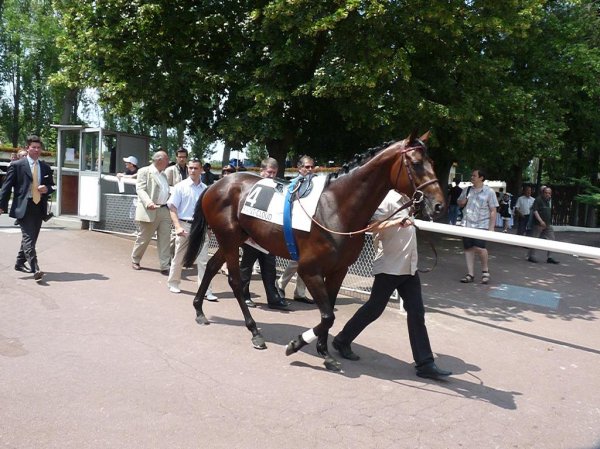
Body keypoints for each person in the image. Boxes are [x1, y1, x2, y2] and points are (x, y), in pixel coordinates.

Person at [332, 190, 452, 380]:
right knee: (374, 308)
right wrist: (397, 222)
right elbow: (371, 226)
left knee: (417, 312)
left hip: (408, 267)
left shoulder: (408, 200)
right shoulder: (386, 199)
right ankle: (342, 340)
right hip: (390, 266)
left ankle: (425, 363)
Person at [0, 135, 55, 281]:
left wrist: (47, 188)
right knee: (29, 238)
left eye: (38, 148)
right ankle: (35, 268)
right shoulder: (17, 166)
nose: (36, 150)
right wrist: (1, 206)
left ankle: (19, 262)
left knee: (32, 237)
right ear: (27, 148)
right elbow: (6, 188)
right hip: (23, 207)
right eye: (33, 147)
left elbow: (52, 186)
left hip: (39, 207)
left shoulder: (45, 167)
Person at [239, 157, 289, 310]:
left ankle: (273, 298)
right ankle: (243, 295)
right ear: (261, 171)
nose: (271, 175)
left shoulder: (278, 187)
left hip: (268, 237)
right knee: (247, 266)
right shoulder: (254, 187)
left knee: (270, 267)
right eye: (269, 172)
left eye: (274, 173)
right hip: (251, 236)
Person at [166, 158, 217, 299]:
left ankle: (206, 290)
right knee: (179, 256)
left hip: (201, 227)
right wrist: (177, 227)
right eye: (190, 168)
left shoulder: (206, 189)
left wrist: (208, 229)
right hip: (184, 225)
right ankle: (173, 283)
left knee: (203, 260)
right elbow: (172, 208)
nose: (192, 171)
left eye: (195, 168)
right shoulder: (180, 187)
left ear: (201, 170)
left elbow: (208, 211)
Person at [275, 155, 315, 305]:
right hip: (294, 227)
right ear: (299, 168)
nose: (310, 169)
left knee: (306, 262)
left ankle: (299, 292)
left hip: (309, 227)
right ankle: (280, 284)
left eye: (311, 166)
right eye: (306, 167)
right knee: (297, 260)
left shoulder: (315, 184)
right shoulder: (293, 184)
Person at [131, 151, 172, 274]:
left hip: (164, 210)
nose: (168, 162)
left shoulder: (163, 175)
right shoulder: (144, 171)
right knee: (144, 238)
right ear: (159, 160)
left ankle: (165, 265)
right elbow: (140, 189)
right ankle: (135, 259)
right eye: (166, 159)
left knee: (165, 238)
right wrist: (148, 202)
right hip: (150, 210)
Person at [457, 169, 498, 284]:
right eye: (472, 175)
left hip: (482, 225)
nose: (472, 177)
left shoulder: (489, 192)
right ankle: (470, 274)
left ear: (481, 178)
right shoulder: (467, 190)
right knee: (468, 249)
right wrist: (462, 202)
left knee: (480, 248)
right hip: (467, 224)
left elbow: (493, 210)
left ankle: (485, 270)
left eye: (474, 175)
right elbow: (459, 202)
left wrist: (491, 228)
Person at [527, 186, 559, 264]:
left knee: (552, 239)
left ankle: (550, 257)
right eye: (546, 193)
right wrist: (541, 221)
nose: (548, 194)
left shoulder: (549, 200)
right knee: (535, 240)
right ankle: (531, 256)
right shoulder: (538, 199)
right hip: (538, 224)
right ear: (543, 193)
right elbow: (535, 211)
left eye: (549, 193)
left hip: (548, 224)